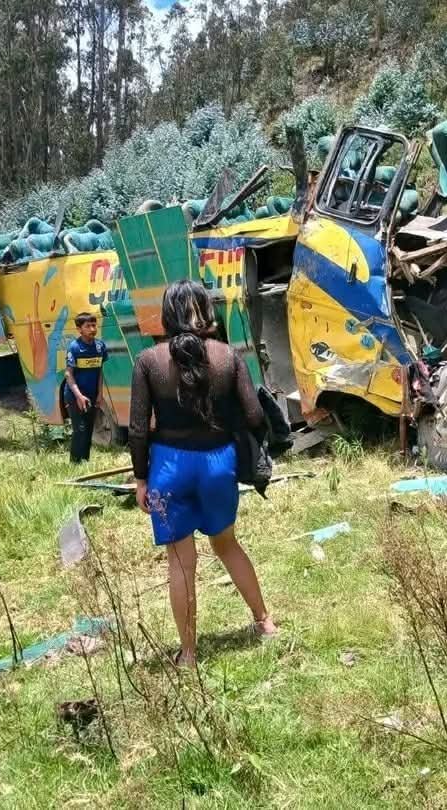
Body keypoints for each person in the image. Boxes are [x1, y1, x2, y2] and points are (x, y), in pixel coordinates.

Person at [129, 280, 276, 666]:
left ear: (166, 315)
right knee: (227, 544)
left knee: (180, 561)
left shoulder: (148, 361)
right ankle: (265, 623)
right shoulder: (228, 356)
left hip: (167, 469)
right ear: (206, 312)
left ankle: (189, 654)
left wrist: (141, 479)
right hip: (218, 464)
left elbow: (139, 429)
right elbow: (255, 415)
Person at [64, 312, 109, 463]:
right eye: (87, 326)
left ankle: (85, 461)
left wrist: (100, 394)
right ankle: (75, 463)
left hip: (92, 394)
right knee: (80, 429)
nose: (92, 328)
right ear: (79, 329)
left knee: (89, 429)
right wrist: (78, 396)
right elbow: (69, 375)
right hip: (75, 395)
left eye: (94, 325)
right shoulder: (75, 347)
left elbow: (100, 371)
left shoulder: (100, 346)